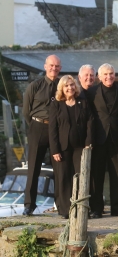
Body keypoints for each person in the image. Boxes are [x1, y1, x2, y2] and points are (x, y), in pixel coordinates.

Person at [86, 63, 118, 218]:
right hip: (98, 138)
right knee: (97, 175)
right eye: (105, 74)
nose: (109, 77)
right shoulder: (91, 92)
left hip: (116, 138)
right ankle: (97, 209)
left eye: (111, 73)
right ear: (99, 76)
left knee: (117, 174)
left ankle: (117, 208)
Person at [22, 54, 62, 216]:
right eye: (51, 65)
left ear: (60, 68)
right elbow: (26, 111)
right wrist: (35, 125)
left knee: (59, 168)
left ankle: (61, 204)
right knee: (33, 168)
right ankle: (29, 205)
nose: (54, 68)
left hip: (57, 130)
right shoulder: (35, 85)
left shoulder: (62, 85)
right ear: (45, 66)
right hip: (38, 127)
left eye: (57, 66)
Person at [49, 75, 93, 219]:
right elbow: (53, 129)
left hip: (80, 146)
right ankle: (65, 210)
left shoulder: (83, 102)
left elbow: (89, 123)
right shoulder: (56, 104)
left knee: (81, 176)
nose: (70, 88)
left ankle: (81, 208)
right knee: (63, 177)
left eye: (72, 85)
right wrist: (55, 149)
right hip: (62, 147)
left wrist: (88, 142)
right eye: (66, 86)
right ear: (62, 88)